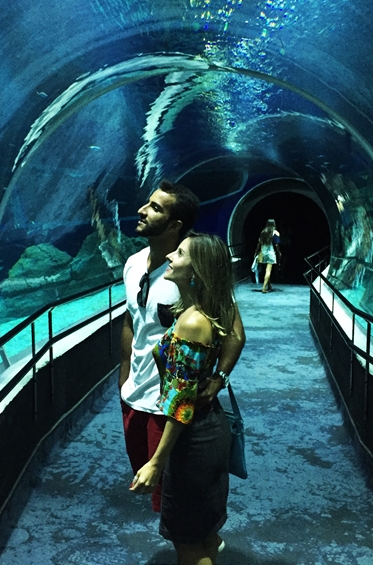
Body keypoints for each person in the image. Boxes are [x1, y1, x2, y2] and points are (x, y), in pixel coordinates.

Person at [120, 181, 245, 515]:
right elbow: (131, 320)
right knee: (152, 487)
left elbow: (234, 332)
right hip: (133, 396)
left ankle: (189, 538)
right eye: (147, 203)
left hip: (168, 404)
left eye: (155, 208)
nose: (142, 211)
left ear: (175, 224)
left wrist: (219, 378)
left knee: (174, 497)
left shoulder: (190, 272)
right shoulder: (132, 264)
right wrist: (124, 376)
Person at [130, 232, 241, 565]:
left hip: (193, 441)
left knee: (187, 544)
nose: (170, 257)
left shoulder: (192, 323)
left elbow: (180, 406)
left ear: (197, 270)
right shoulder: (199, 310)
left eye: (179, 254)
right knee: (202, 533)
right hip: (208, 430)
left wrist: (156, 462)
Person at [254, 218, 281, 293]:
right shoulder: (275, 232)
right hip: (270, 253)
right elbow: (276, 244)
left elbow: (259, 243)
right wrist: (279, 252)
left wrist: (256, 252)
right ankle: (264, 288)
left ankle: (269, 285)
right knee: (268, 270)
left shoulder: (263, 232)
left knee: (266, 269)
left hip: (263, 252)